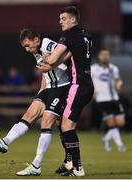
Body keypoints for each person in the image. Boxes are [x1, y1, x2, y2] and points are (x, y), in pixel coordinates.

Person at [0, 28, 72, 176]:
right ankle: (4, 142)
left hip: (62, 88)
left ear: (36, 40)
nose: (26, 49)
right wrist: (40, 95)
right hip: (50, 88)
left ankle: (36, 165)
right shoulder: (36, 52)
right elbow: (47, 76)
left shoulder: (46, 44)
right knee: (29, 113)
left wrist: (52, 64)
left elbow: (67, 53)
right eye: (24, 47)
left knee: (47, 122)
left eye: (27, 45)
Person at [40, 6, 94, 176]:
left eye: (63, 18)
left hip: (78, 85)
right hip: (86, 85)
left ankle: (77, 167)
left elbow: (54, 58)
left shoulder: (69, 36)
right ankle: (69, 162)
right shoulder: (85, 35)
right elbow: (64, 59)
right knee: (63, 125)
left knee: (66, 126)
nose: (60, 21)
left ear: (72, 19)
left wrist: (45, 56)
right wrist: (52, 63)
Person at [91, 48, 126, 152]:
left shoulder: (113, 68)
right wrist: (93, 92)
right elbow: (88, 81)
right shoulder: (94, 68)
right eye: (103, 55)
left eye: (106, 55)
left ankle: (106, 138)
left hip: (114, 98)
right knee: (111, 124)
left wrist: (119, 84)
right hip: (102, 99)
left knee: (121, 123)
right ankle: (120, 145)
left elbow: (117, 80)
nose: (105, 57)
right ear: (99, 56)